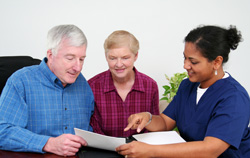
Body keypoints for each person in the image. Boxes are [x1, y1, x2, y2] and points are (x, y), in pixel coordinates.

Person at [116, 25, 250, 157]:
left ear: (216, 62)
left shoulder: (234, 98)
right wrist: (148, 118)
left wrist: (151, 151)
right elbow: (165, 122)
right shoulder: (187, 86)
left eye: (193, 61)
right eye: (185, 58)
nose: (185, 65)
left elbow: (210, 150)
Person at [0, 24, 94, 156]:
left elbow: (90, 127)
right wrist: (49, 143)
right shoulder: (20, 81)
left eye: (81, 59)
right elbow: (2, 131)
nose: (77, 67)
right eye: (70, 58)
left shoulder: (82, 84)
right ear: (51, 55)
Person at [88, 30, 159, 137]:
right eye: (113, 58)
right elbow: (92, 128)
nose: (119, 64)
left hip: (141, 150)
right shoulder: (92, 86)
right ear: (106, 56)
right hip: (103, 150)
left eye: (125, 58)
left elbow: (154, 125)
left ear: (135, 56)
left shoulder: (150, 86)